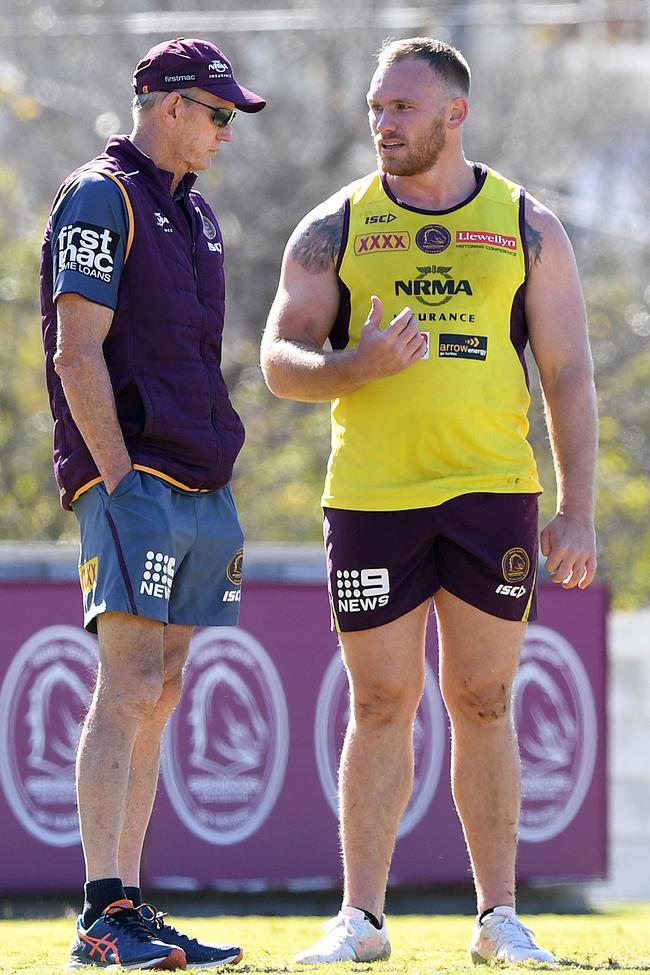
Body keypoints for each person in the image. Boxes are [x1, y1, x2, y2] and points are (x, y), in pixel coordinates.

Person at [261, 36, 597, 966]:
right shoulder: (334, 224)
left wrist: (578, 507)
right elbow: (278, 359)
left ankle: (498, 919)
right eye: (376, 108)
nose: (382, 123)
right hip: (372, 500)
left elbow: (568, 374)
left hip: (493, 494)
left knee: (484, 698)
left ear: (455, 114)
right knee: (381, 699)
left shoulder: (528, 225)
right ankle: (361, 920)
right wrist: (354, 366)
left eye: (401, 108)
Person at [40, 37, 265, 971]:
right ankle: (102, 911)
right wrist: (120, 479)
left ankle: (129, 900)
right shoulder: (101, 194)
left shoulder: (194, 213)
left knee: (162, 692)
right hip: (133, 482)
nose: (224, 131)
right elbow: (75, 351)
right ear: (170, 105)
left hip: (200, 481)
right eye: (216, 114)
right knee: (127, 684)